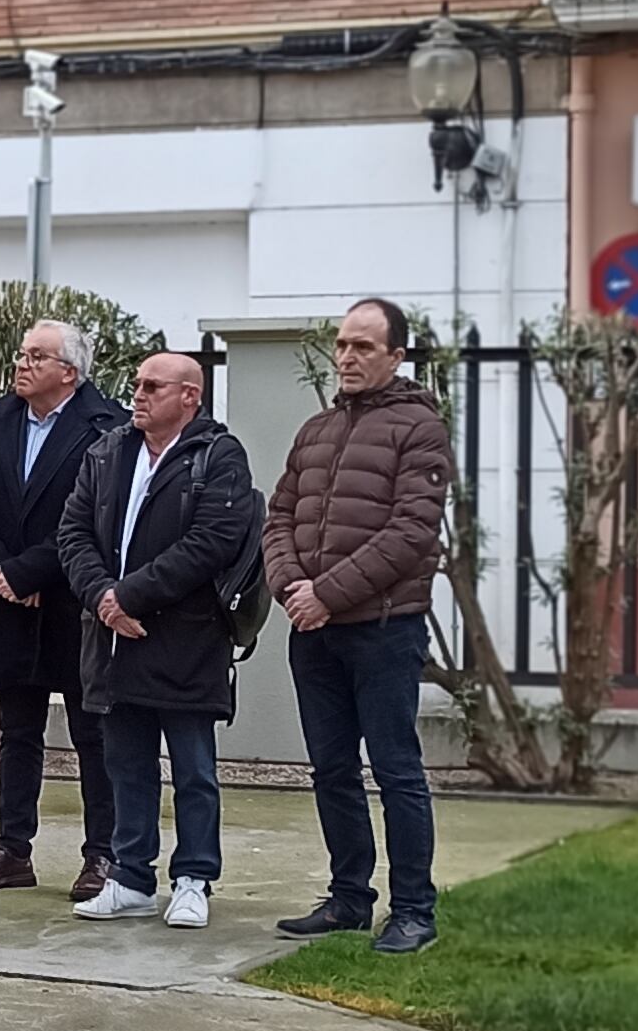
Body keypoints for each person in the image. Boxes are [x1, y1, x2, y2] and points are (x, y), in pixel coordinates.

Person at [267, 297, 455, 953]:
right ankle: (349, 899)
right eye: (342, 345)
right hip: (313, 629)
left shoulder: (419, 429)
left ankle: (413, 913)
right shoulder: (316, 431)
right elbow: (279, 517)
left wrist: (328, 593)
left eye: (363, 347)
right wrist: (291, 586)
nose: (347, 357)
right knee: (331, 770)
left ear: (396, 356)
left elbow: (410, 534)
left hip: (382, 631)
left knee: (396, 770)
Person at [57, 352, 267, 929]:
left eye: (153, 386)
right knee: (126, 762)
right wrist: (103, 596)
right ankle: (129, 877)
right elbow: (72, 531)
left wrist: (131, 596)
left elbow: (212, 542)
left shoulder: (217, 455)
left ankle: (194, 878)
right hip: (113, 638)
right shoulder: (108, 451)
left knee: (193, 768)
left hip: (186, 638)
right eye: (137, 385)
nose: (139, 395)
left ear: (189, 397)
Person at [0, 318, 126, 899]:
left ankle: (103, 855)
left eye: (36, 356)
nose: (22, 364)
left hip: (74, 601)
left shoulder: (106, 427)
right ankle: (12, 850)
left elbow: (97, 516)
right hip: (10, 601)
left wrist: (30, 571)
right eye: (22, 353)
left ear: (69, 372)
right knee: (18, 731)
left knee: (91, 733)